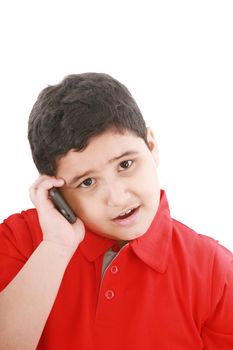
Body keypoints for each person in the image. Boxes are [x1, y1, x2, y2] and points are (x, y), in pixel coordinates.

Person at [0, 73, 232, 350]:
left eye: (125, 165)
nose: (117, 197)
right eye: (87, 182)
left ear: (151, 146)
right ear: (55, 191)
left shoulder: (215, 270)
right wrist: (55, 247)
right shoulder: (17, 240)